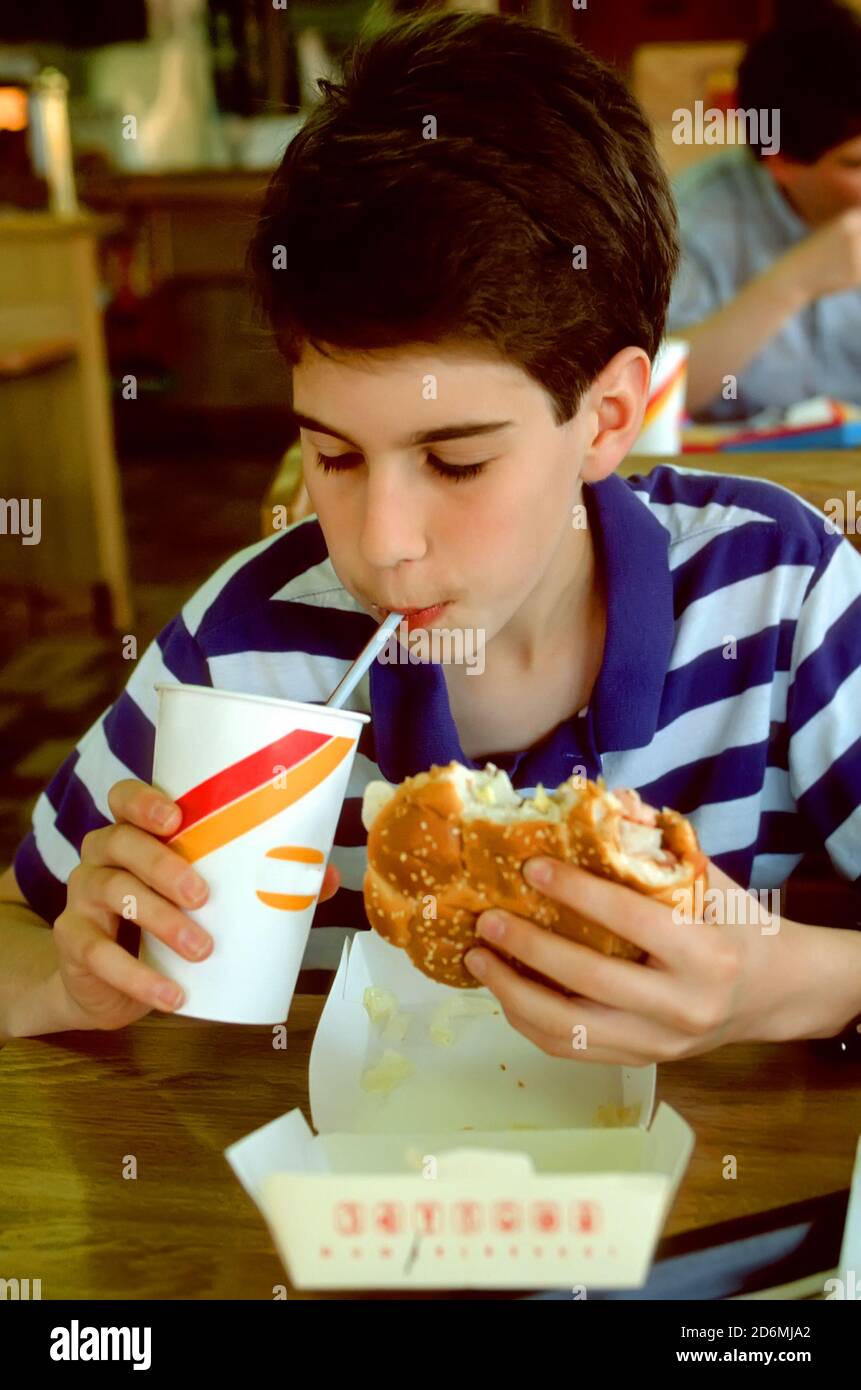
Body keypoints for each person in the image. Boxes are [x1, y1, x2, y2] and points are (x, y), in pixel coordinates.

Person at [2, 11, 860, 1064]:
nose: (383, 544)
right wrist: (64, 973)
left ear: (607, 415)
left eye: (457, 462)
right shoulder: (247, 643)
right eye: (335, 455)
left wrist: (787, 987)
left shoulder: (778, 596)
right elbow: (19, 919)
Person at [669, 3, 861, 420]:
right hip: (747, 472)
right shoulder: (690, 220)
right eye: (855, 163)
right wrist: (794, 282)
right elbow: (656, 394)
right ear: (780, 162)